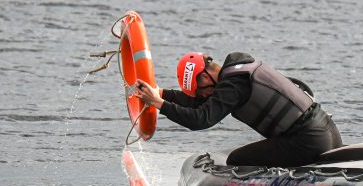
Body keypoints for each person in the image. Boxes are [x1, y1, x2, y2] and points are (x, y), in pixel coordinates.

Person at [134, 51, 342, 167]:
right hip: (327, 130)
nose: (202, 96)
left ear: (205, 76)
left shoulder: (234, 86)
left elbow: (200, 119)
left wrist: (158, 104)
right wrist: (160, 93)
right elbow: (200, 104)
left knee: (238, 160)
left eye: (200, 91)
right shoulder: (240, 70)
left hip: (307, 141)